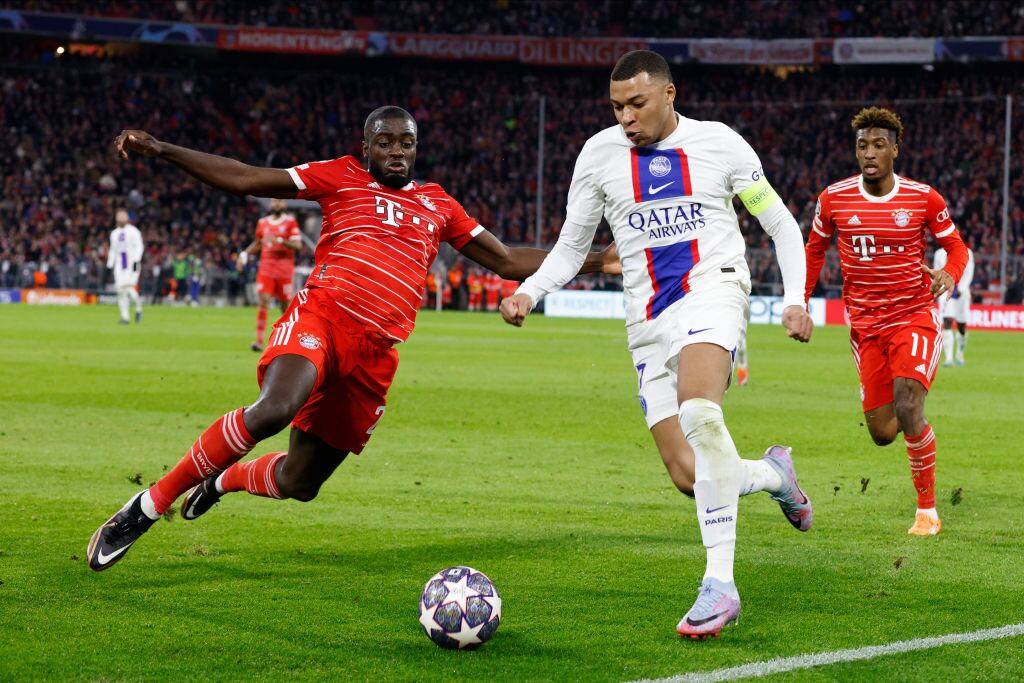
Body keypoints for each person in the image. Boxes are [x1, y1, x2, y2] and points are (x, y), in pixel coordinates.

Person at [87, 106, 616, 572]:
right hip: (322, 317)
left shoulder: (439, 205)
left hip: (374, 355)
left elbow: (507, 260)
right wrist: (161, 150)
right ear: (366, 147)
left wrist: (598, 260)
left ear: (415, 149)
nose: (395, 151)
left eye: (405, 143)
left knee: (300, 483)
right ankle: (145, 508)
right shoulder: (338, 176)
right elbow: (248, 178)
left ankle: (223, 481)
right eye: (384, 142)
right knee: (274, 409)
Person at [499, 51, 814, 639]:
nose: (625, 117)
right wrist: (530, 291)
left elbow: (780, 224)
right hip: (645, 319)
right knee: (691, 475)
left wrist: (794, 296)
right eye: (617, 106)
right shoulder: (598, 156)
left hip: (712, 292)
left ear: (670, 94)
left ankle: (720, 585)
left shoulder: (721, 144)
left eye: (636, 103)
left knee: (700, 409)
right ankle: (775, 477)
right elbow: (571, 247)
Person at [805, 107, 969, 537]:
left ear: (895, 150)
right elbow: (813, 251)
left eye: (879, 144)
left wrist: (949, 273)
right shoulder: (834, 198)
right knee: (882, 431)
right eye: (863, 146)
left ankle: (927, 511)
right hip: (865, 325)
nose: (870, 153)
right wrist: (799, 300)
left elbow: (956, 248)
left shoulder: (922, 198)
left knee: (909, 404)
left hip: (913, 314)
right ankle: (916, 427)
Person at [240, 198, 302, 351]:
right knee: (263, 301)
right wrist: (244, 254)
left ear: (284, 205)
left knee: (285, 307)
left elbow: (298, 245)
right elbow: (258, 243)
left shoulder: (290, 222)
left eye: (280, 202)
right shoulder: (262, 223)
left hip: (284, 270)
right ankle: (259, 341)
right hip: (266, 269)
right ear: (270, 204)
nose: (277, 204)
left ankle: (288, 339)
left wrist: (280, 240)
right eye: (274, 202)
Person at [933, 245, 974, 366]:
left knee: (961, 325)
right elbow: (937, 272)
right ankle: (949, 358)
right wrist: (936, 289)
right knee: (947, 321)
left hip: (961, 293)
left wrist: (962, 288)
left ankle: (960, 354)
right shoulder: (939, 254)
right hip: (945, 291)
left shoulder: (968, 253)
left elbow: (969, 272)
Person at [107, 208, 144, 324]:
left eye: (123, 216)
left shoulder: (134, 231)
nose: (121, 219)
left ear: (127, 218)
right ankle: (125, 317)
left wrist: (136, 261)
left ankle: (138, 307)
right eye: (119, 216)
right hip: (120, 265)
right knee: (120, 290)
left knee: (129, 288)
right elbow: (113, 250)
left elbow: (139, 247)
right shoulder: (114, 234)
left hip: (131, 264)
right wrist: (109, 265)